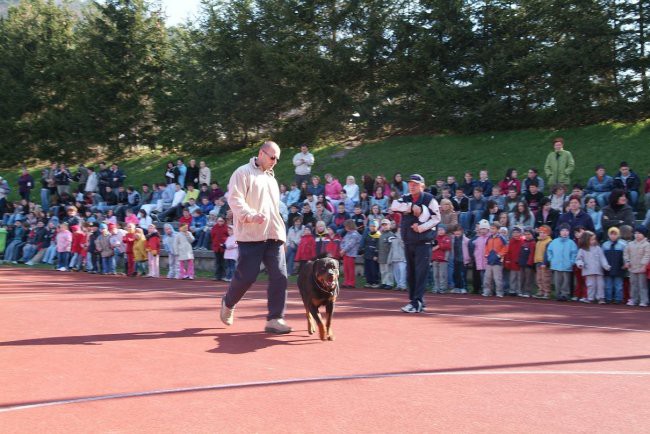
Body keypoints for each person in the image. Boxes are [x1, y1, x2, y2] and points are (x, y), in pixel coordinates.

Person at [219, 141, 292, 334]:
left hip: (273, 235)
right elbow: (235, 200)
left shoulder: (272, 180)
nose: (275, 161)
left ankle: (275, 319)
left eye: (277, 158)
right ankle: (228, 302)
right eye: (272, 157)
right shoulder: (242, 173)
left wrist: (282, 234)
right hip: (251, 235)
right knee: (247, 277)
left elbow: (275, 210)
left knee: (280, 276)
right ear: (261, 153)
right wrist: (250, 216)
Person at [390, 174, 441, 313]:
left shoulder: (430, 199)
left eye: (416, 184)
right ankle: (415, 301)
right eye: (410, 183)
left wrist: (421, 227)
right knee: (410, 273)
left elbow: (437, 218)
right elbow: (394, 206)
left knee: (420, 274)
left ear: (422, 186)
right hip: (409, 241)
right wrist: (412, 207)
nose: (412, 186)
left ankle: (416, 302)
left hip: (423, 242)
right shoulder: (406, 197)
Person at [575, 231, 610, 303]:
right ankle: (590, 298)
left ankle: (601, 298)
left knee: (600, 285)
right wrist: (580, 264)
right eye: (591, 240)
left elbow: (602, 258)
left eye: (594, 239)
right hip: (588, 271)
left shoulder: (598, 248)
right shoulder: (582, 250)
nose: (593, 241)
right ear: (586, 240)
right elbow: (578, 259)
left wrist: (605, 265)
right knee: (590, 285)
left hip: (598, 270)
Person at [545, 223, 578, 301]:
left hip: (567, 266)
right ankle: (558, 294)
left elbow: (574, 253)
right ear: (559, 232)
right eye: (562, 230)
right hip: (556, 265)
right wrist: (551, 259)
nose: (564, 232)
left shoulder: (571, 243)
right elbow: (549, 251)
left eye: (566, 230)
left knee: (566, 281)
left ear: (569, 232)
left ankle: (565, 294)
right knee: (557, 281)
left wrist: (571, 262)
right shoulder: (554, 242)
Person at [623, 225, 650, 307]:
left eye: (639, 233)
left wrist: (643, 265)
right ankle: (634, 299)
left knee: (642, 286)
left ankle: (643, 300)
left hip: (642, 269)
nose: (637, 235)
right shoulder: (630, 244)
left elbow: (647, 255)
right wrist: (627, 261)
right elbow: (626, 253)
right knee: (633, 285)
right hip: (632, 268)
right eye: (636, 233)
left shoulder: (647, 244)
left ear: (644, 234)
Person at [602, 227, 627, 304]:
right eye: (611, 234)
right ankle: (608, 299)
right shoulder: (605, 245)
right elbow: (602, 257)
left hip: (619, 268)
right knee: (608, 285)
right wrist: (604, 265)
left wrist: (625, 263)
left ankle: (618, 299)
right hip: (608, 268)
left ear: (618, 235)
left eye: (615, 234)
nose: (613, 236)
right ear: (608, 235)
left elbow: (626, 255)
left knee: (618, 285)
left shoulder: (623, 244)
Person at [340, 219, 362, 288]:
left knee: (350, 269)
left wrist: (343, 250)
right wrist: (342, 249)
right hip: (345, 254)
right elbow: (342, 242)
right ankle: (346, 282)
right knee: (345, 269)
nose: (345, 227)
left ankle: (351, 283)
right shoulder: (347, 234)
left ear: (350, 226)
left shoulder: (355, 234)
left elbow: (351, 244)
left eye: (346, 226)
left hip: (351, 254)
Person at [431, 224, 451, 294]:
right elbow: (432, 247)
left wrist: (439, 246)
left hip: (443, 259)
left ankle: (443, 288)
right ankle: (436, 287)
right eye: (439, 230)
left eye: (442, 230)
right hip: (435, 259)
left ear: (445, 231)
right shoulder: (434, 238)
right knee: (435, 275)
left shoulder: (447, 238)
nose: (441, 231)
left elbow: (447, 246)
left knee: (442, 274)